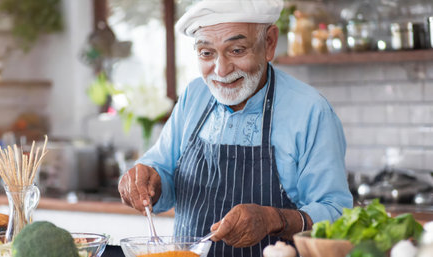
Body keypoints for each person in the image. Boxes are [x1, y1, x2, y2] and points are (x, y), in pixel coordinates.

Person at [118, 0, 353, 256]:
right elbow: (162, 169)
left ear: (270, 43)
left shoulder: (310, 110)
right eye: (206, 53)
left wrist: (274, 219)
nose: (221, 70)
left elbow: (337, 214)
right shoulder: (194, 96)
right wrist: (147, 182)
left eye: (237, 50)